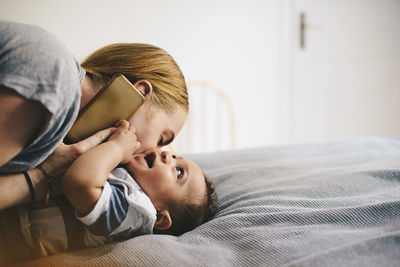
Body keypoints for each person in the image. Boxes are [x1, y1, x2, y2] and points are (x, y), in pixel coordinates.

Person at [0, 20, 188, 210]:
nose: (152, 152)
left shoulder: (59, 120)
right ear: (139, 93)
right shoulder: (52, 79)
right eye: (161, 139)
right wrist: (43, 176)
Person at [0, 120, 218, 262]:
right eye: (177, 157)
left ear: (161, 217)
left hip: (12, 238)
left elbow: (79, 183)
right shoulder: (128, 179)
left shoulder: (135, 214)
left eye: (178, 172)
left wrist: (117, 147)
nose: (168, 156)